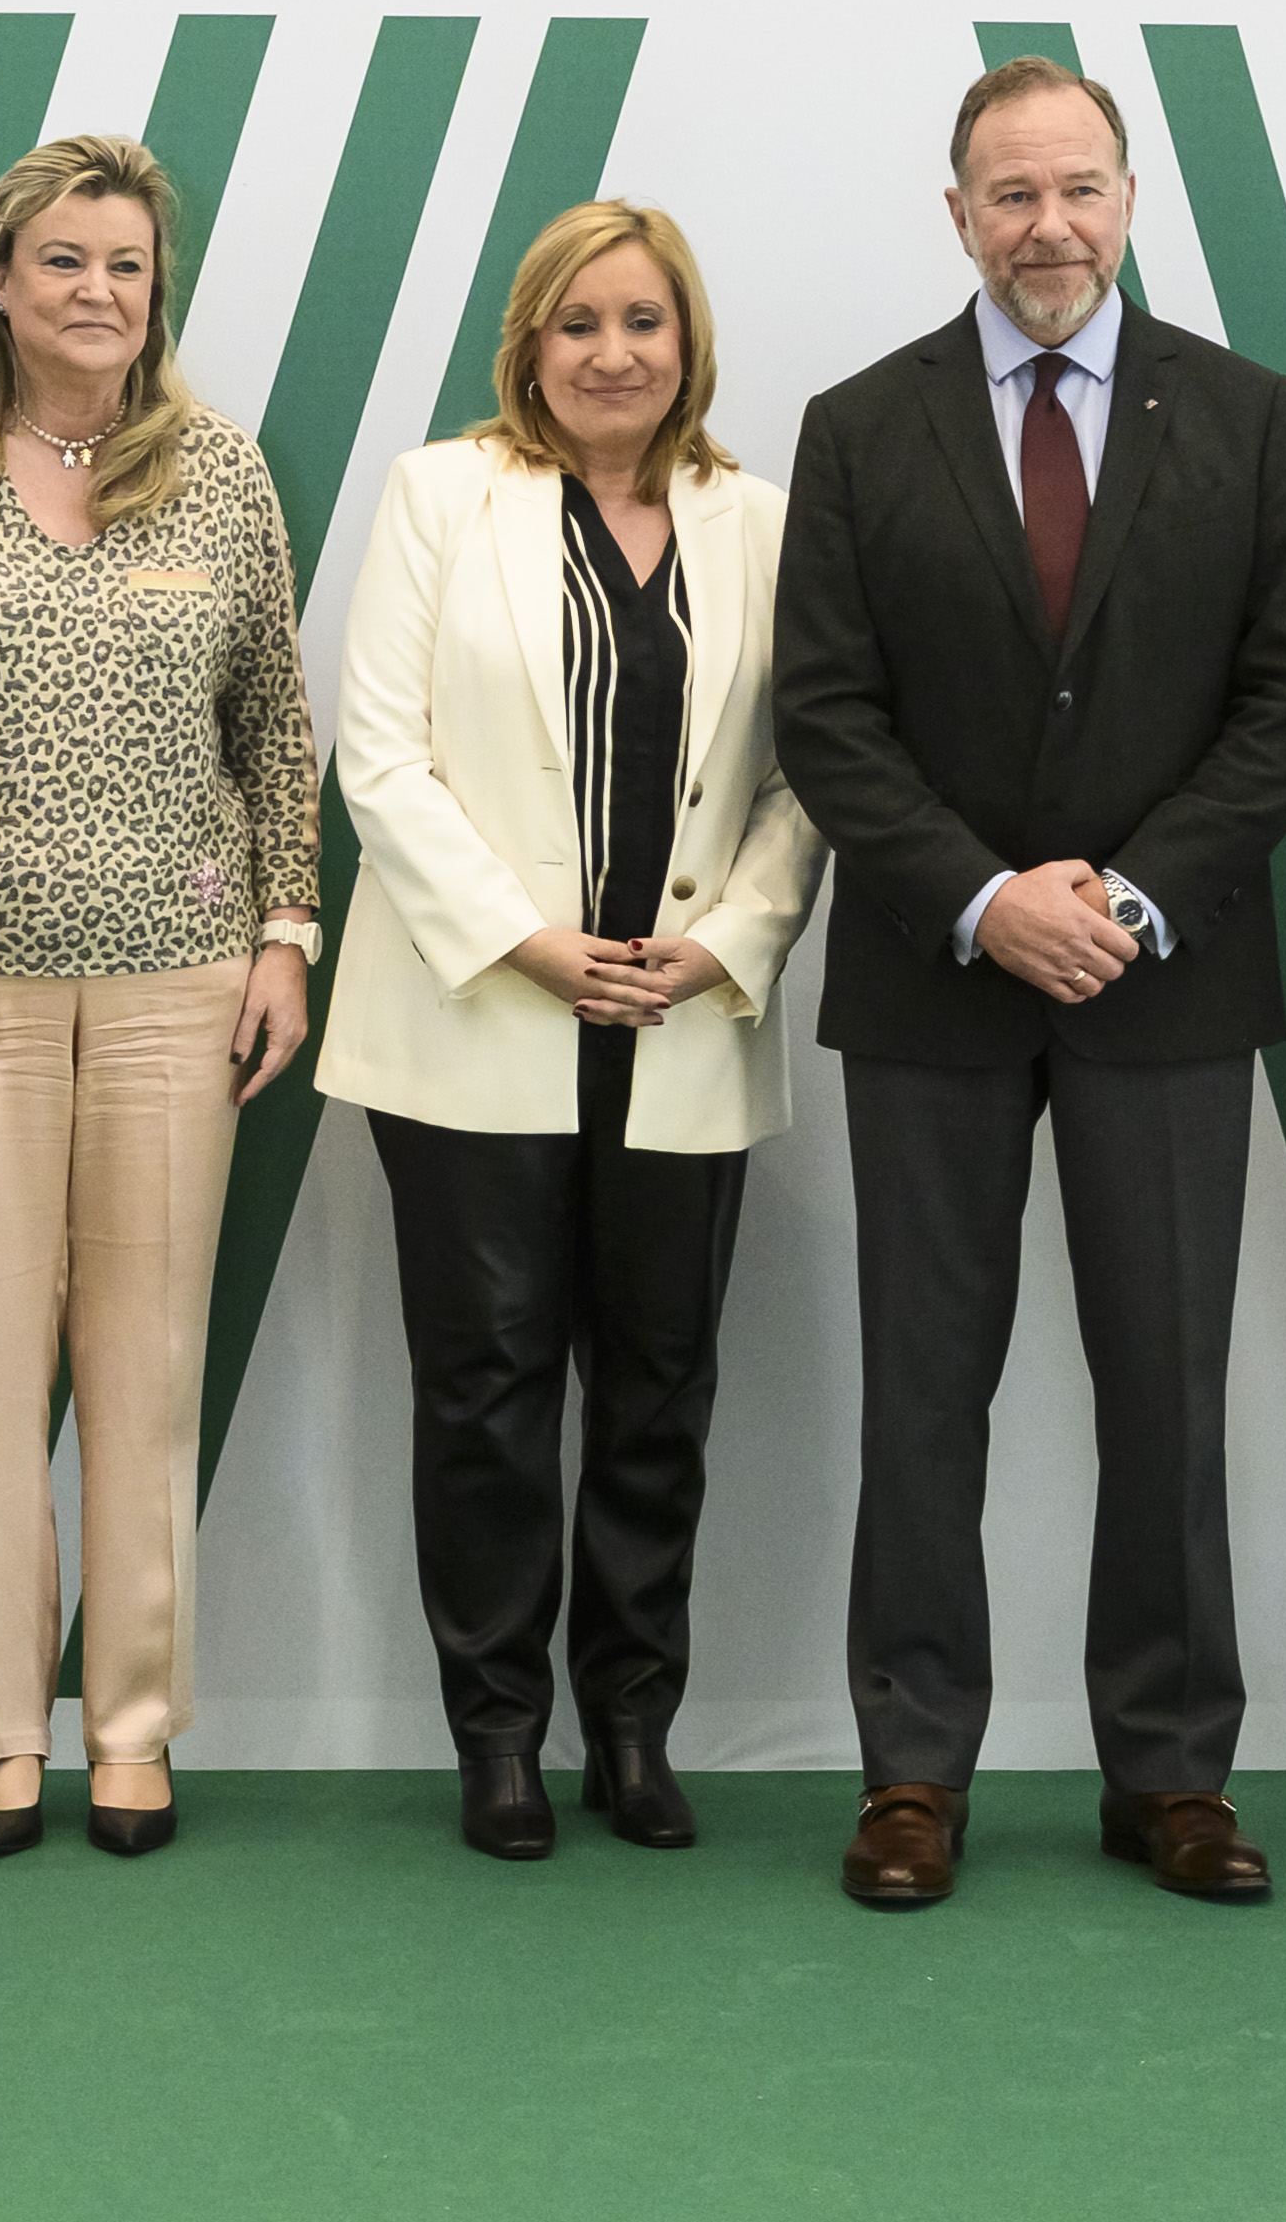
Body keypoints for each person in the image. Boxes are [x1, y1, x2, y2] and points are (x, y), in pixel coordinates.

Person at [772, 53, 1286, 1910]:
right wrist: (980, 896)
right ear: (956, 212)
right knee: (923, 1389)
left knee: (1167, 1388)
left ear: (1127, 198)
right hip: (935, 985)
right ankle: (913, 1772)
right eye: (1010, 193)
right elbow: (828, 715)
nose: (1048, 225)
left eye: (1078, 187)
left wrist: (1127, 892)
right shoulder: (860, 425)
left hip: (1164, 985)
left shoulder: (1248, 416)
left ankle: (1171, 1773)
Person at [0, 133, 321, 1859]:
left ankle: (137, 1729)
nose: (97, 291)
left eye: (125, 264)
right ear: (0, 279)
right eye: (64, 261)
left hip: (182, 980)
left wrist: (284, 934)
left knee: (145, 1374)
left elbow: (277, 734)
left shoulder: (225, 475)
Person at [320, 200, 827, 1862]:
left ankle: (631, 1721)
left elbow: (807, 769)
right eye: (577, 323)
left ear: (689, 344)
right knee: (484, 1388)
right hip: (480, 1016)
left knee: (659, 1388)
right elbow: (379, 756)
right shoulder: (438, 494)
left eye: (644, 321)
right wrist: (531, 943)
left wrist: (727, 940)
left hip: (680, 1014)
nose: (612, 353)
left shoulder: (757, 518)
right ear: (526, 345)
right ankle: (498, 1733)